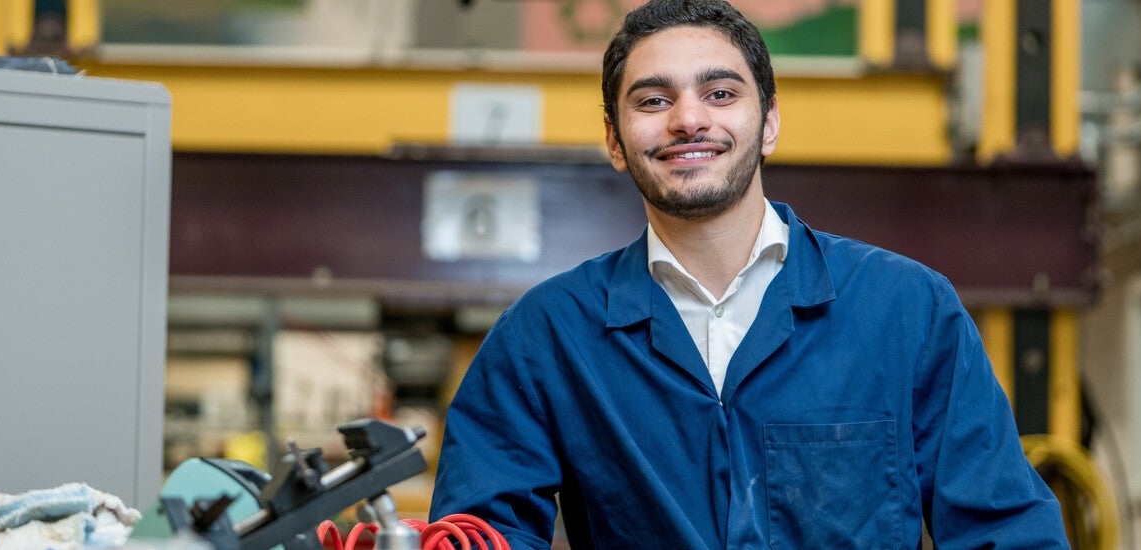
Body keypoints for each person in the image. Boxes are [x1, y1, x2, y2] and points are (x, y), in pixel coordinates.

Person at [430, 0, 1069, 547]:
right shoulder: (547, 337)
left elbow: (1006, 531)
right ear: (615, 141)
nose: (688, 119)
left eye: (721, 93)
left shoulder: (908, 311)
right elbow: (479, 528)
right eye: (654, 99)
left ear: (768, 123)